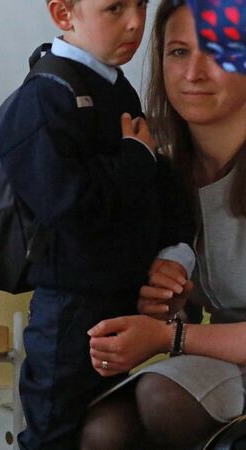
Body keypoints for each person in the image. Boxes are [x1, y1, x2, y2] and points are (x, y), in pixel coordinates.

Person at [0, 1, 197, 448]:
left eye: (141, 5)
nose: (135, 23)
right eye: (115, 8)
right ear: (65, 15)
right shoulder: (43, 97)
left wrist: (172, 252)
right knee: (54, 430)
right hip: (71, 308)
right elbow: (64, 202)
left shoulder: (115, 87)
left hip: (114, 300)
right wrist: (134, 157)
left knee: (99, 428)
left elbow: (145, 188)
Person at [83, 1, 246, 448]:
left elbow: (177, 336)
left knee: (163, 398)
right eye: (178, 52)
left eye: (218, 51)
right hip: (228, 359)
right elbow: (184, 310)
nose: (193, 72)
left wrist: (170, 334)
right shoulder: (159, 171)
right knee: (102, 429)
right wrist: (165, 301)